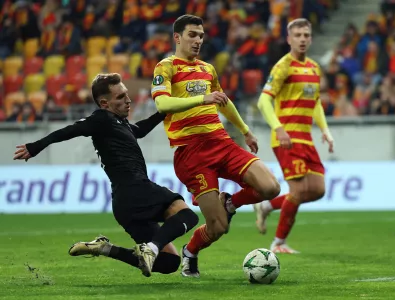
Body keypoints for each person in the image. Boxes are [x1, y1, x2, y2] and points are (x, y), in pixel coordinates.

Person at [13, 73, 199, 277]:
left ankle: (105, 248)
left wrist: (165, 110)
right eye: (120, 97)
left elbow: (141, 129)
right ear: (104, 103)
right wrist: (35, 146)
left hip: (124, 203)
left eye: (127, 94)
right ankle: (151, 248)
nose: (128, 100)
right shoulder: (101, 119)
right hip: (137, 189)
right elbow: (70, 130)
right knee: (188, 215)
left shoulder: (120, 123)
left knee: (169, 262)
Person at [151, 14, 281, 278]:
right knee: (218, 227)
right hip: (192, 153)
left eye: (201, 35)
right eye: (192, 35)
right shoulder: (166, 67)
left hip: (221, 142)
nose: (198, 40)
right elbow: (162, 104)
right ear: (177, 37)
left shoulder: (207, 69)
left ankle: (231, 202)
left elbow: (223, 100)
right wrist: (202, 98)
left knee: (270, 187)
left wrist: (245, 131)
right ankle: (191, 251)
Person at [254, 18, 334, 254]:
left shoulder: (313, 68)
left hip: (306, 138)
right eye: (297, 35)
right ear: (289, 39)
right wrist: (278, 128)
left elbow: (316, 102)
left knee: (318, 190)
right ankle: (278, 243)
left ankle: (267, 205)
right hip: (286, 139)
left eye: (306, 35)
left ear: (310, 38)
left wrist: (326, 131)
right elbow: (263, 100)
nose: (302, 39)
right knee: (298, 192)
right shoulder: (283, 66)